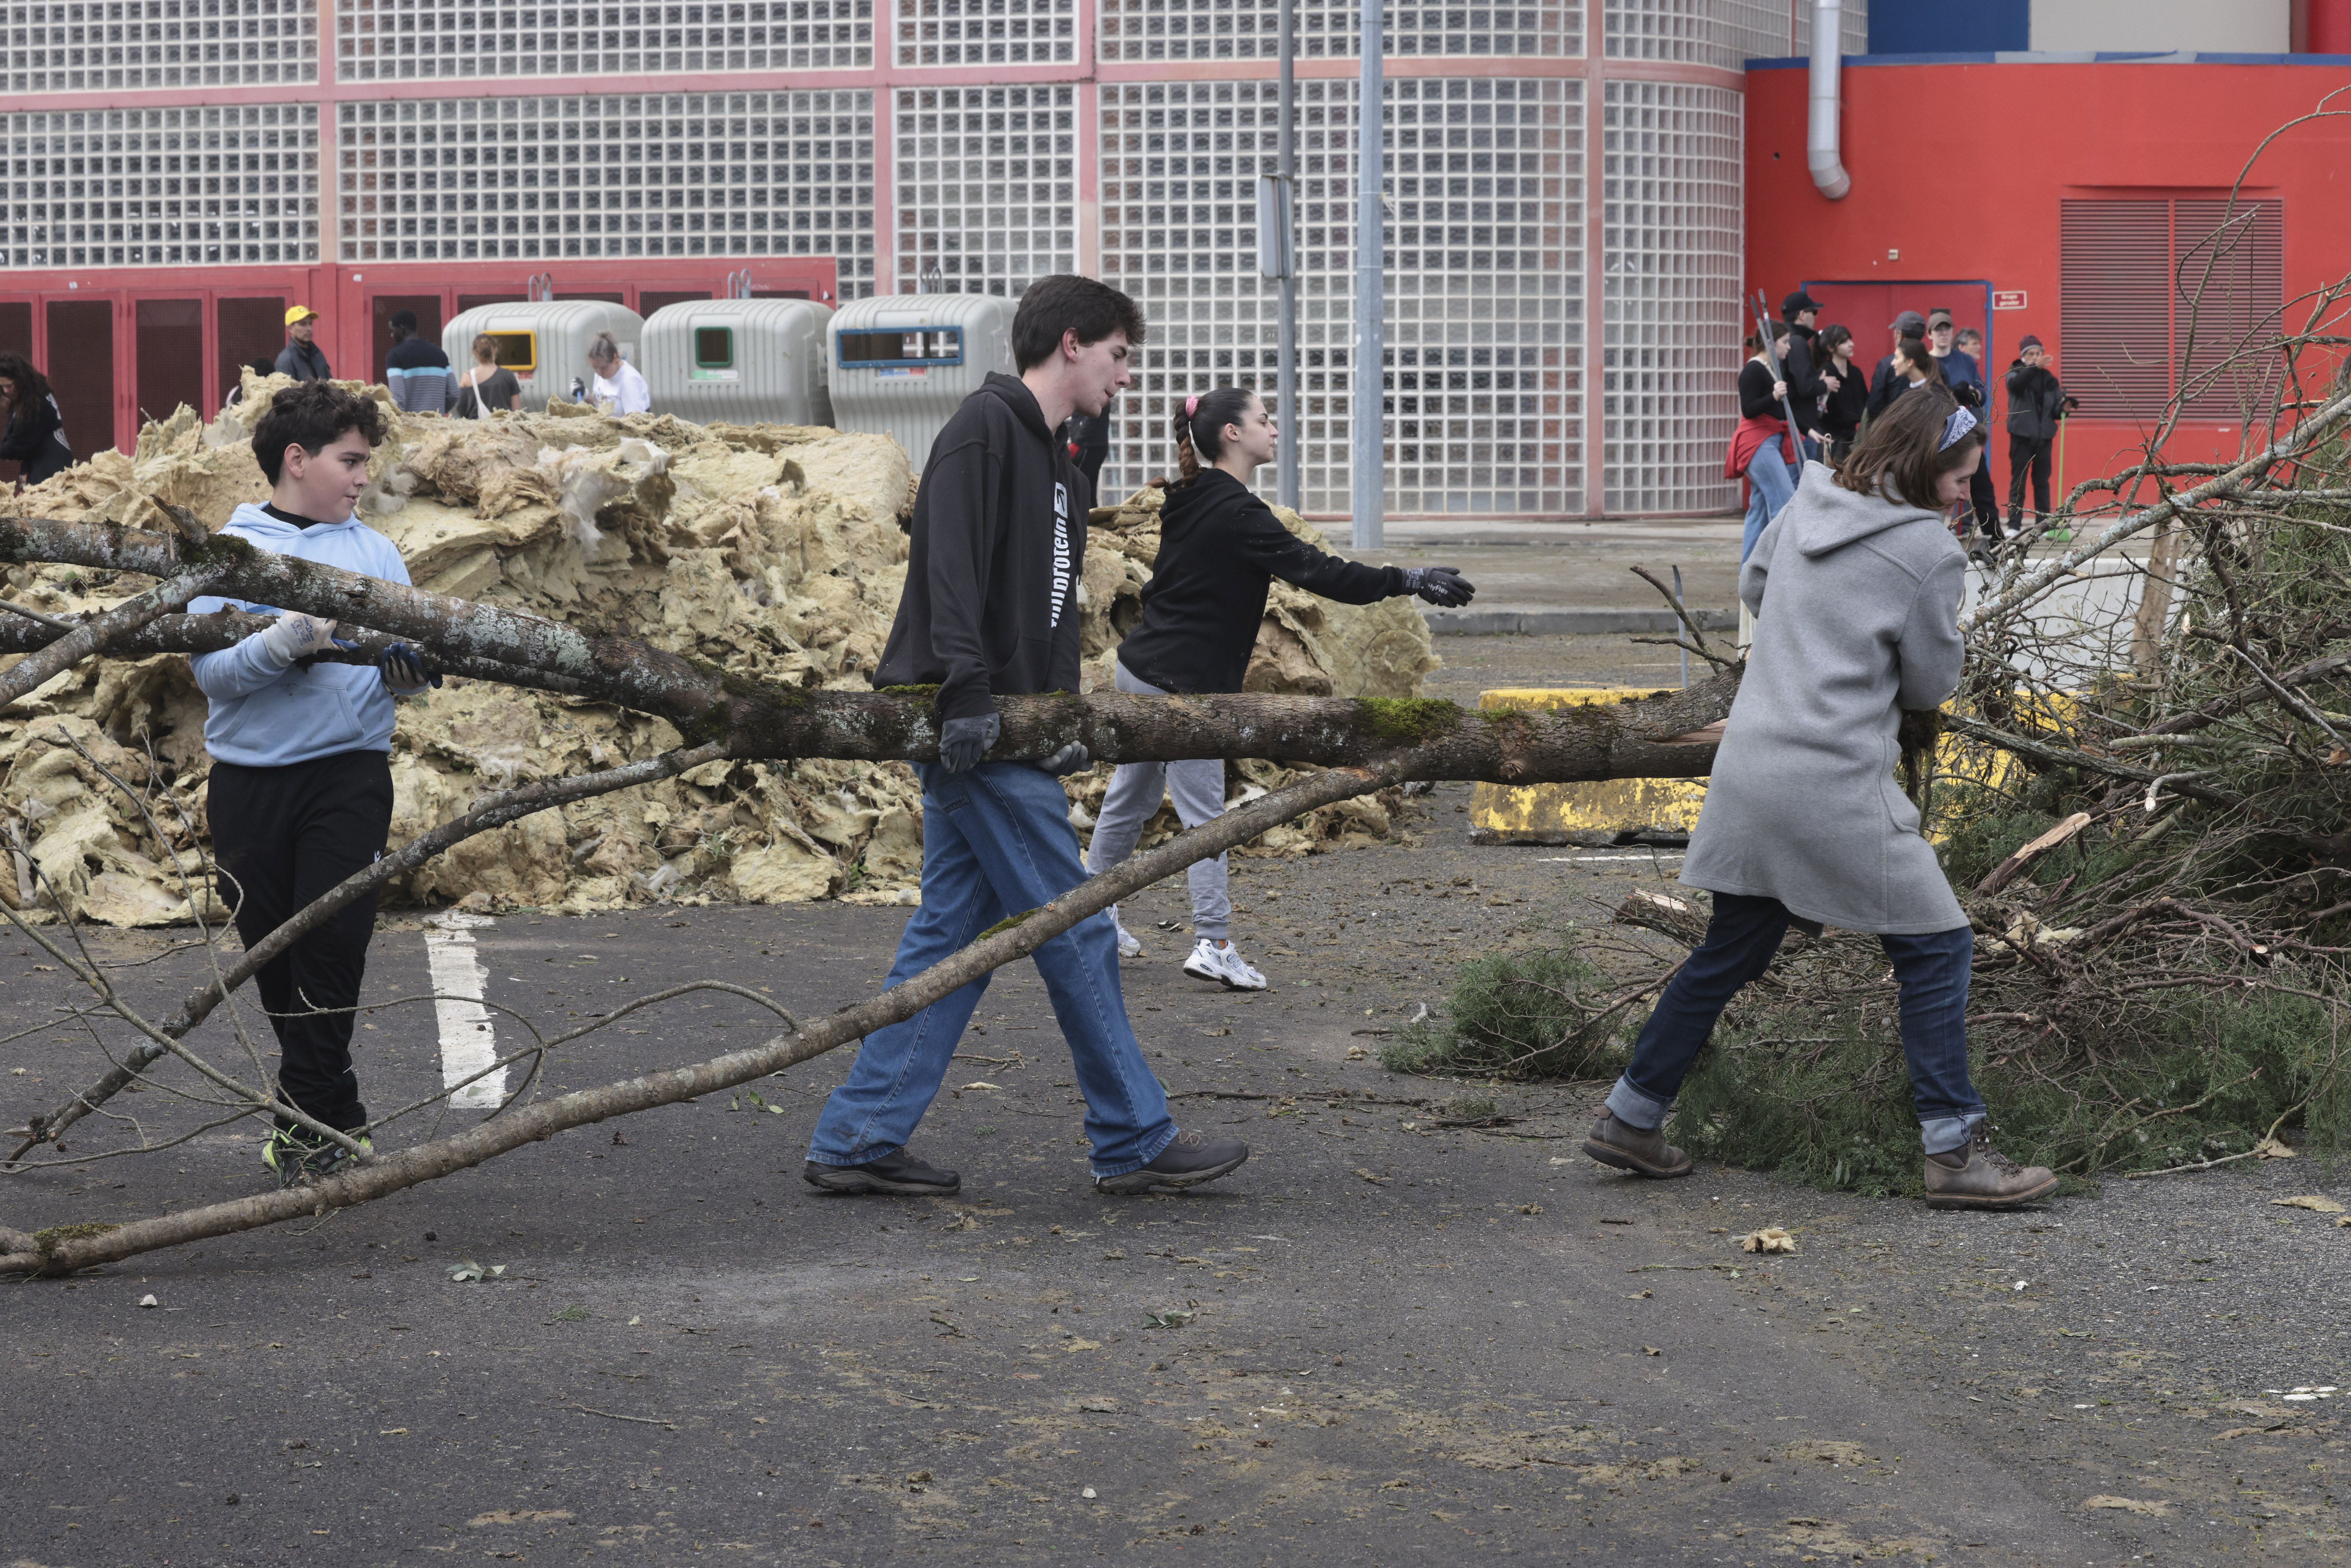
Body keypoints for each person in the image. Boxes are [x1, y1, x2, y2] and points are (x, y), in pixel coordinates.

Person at [803, 274, 1249, 1200]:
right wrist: (966, 692)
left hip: (1011, 724)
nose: (1126, 376)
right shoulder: (984, 428)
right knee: (1075, 929)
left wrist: (1059, 715)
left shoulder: (1055, 457)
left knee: (947, 941)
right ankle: (1132, 1135)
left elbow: (1050, 604)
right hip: (974, 728)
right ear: (1071, 343)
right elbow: (948, 565)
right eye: (1119, 355)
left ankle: (856, 1136)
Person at [1580, 386, 2058, 1211]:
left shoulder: (1811, 498)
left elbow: (1755, 582)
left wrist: (1811, 633)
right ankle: (1954, 1151)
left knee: (1728, 951)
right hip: (1831, 781)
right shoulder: (1927, 549)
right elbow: (1929, 682)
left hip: (1752, 766)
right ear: (1924, 466)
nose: (1962, 494)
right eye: (1957, 478)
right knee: (1938, 945)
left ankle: (1630, 1116)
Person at [1085, 388, 1474, 988]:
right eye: (1263, 420)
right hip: (1184, 690)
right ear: (1232, 435)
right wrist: (1410, 578)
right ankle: (1212, 942)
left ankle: (1089, 914)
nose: (1273, 429)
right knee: (1205, 818)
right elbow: (1324, 574)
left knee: (1129, 798)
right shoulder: (1237, 512)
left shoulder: (1191, 497)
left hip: (1139, 668)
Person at [187, 381, 441, 1188]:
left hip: (348, 776)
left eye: (366, 462)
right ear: (296, 459)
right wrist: (284, 641)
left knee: (330, 954)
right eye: (351, 461)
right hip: (249, 787)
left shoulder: (377, 554)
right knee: (278, 967)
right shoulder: (232, 551)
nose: (364, 478)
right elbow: (211, 676)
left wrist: (406, 678)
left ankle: (300, 1131)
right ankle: (339, 1117)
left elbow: (410, 669)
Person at [1729, 319, 1798, 562]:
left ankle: (1749, 572)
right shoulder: (1753, 370)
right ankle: (1781, 566)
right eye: (1785, 342)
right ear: (1770, 343)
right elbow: (1748, 409)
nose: (1789, 347)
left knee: (1758, 512)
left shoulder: (1769, 368)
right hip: (1759, 444)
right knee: (1785, 503)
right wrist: (1774, 396)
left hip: (1766, 442)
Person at [1926, 311, 1998, 541]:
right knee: (1935, 492)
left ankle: (1998, 543)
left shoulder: (1965, 360)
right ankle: (1932, 540)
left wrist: (1971, 394)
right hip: (1936, 441)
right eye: (1938, 330)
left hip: (1966, 437)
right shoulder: (1926, 363)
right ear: (1929, 334)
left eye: (1947, 328)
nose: (1943, 333)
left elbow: (1982, 395)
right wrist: (1950, 395)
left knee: (1983, 491)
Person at [2004, 335, 2072, 535]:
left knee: (2042, 483)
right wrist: (2034, 368)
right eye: (2031, 354)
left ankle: (2043, 526)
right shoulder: (2015, 373)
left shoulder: (2050, 380)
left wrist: (2065, 408)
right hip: (2022, 437)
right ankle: (2014, 525)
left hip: (2044, 438)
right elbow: (2016, 387)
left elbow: (2054, 411)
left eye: (2039, 353)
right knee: (2019, 482)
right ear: (2023, 356)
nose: (2036, 357)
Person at [0, 351, 73, 485]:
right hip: (47, 465)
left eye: (9, 386)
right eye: (2, 387)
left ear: (20, 381)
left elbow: (17, 445)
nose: (6, 391)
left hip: (51, 471)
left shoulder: (36, 404)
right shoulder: (33, 395)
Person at [1779, 290, 1833, 458]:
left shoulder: (1788, 342)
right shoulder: (1798, 343)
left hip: (1796, 426)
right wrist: (1825, 384)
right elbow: (1806, 387)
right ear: (1802, 315)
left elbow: (1796, 382)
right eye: (1814, 312)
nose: (1816, 317)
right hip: (1801, 429)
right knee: (1803, 473)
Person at [1811, 325, 1869, 465]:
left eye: (1850, 340)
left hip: (1853, 440)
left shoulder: (1856, 373)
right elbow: (1817, 412)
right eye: (1844, 342)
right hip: (1829, 440)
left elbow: (1865, 404)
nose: (1851, 344)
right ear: (1831, 348)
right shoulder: (1824, 375)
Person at [384, 310, 453, 414]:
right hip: (438, 423)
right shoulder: (440, 354)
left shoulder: (395, 356)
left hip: (411, 423)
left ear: (402, 329)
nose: (392, 335)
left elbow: (398, 399)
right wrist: (438, 409)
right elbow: (454, 393)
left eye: (393, 330)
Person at [1867, 332, 1940, 421]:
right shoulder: (1906, 393)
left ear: (1910, 362)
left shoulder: (1935, 394)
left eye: (1897, 358)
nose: (1893, 363)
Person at [1866, 310, 1928, 415]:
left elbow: (1874, 406)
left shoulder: (1886, 365)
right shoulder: (1936, 364)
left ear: (1899, 335)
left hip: (1893, 423)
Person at [454, 335, 523, 418]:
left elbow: (461, 410)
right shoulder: (508, 375)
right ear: (496, 350)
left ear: (475, 353)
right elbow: (517, 411)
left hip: (476, 426)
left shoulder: (468, 377)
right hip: (503, 425)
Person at [586, 332, 651, 415]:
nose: (599, 373)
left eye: (603, 368)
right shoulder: (600, 374)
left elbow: (635, 420)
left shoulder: (629, 381)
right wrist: (586, 395)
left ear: (615, 358)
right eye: (595, 368)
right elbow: (601, 404)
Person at [275, 306, 331, 381]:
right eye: (303, 324)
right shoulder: (286, 360)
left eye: (310, 324)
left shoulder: (317, 354)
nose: (309, 329)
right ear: (290, 329)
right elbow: (285, 389)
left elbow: (331, 384)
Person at [1064, 409, 1112, 490]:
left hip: (1090, 446)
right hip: (1089, 444)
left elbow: (1092, 419)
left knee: (1082, 482)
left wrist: (1077, 443)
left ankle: (1085, 499)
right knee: (1088, 484)